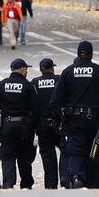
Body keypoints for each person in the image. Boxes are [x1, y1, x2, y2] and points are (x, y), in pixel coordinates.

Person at [51, 41, 99, 188]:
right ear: (91, 54)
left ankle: (77, 177)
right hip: (94, 119)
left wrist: (61, 116)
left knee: (76, 150)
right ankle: (95, 183)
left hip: (74, 119)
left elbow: (56, 99)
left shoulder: (68, 72)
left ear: (77, 53)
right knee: (95, 151)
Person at [0, 58, 37, 189]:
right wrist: (33, 127)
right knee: (24, 157)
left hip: (7, 126)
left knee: (7, 156)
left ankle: (8, 184)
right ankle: (26, 184)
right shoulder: (28, 86)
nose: (27, 71)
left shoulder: (1, 85)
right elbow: (35, 109)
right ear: (21, 69)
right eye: (26, 69)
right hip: (24, 127)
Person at [31, 58, 63, 189]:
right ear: (52, 68)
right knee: (66, 153)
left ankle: (50, 187)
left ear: (40, 69)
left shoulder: (35, 83)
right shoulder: (59, 80)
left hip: (42, 125)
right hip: (60, 125)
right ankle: (66, 179)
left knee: (48, 157)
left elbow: (31, 105)